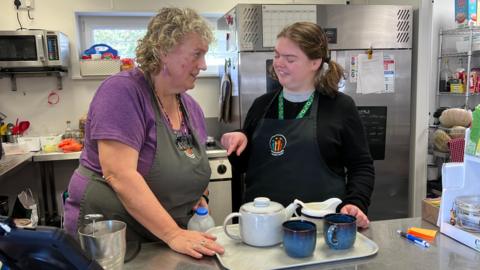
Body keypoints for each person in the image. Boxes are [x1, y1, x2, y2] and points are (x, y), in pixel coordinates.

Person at [64, 7, 224, 259]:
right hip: (110, 236)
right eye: (196, 54)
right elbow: (119, 174)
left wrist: (195, 196)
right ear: (163, 50)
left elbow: (192, 165)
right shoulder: (122, 93)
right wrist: (173, 233)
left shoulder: (191, 109)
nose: (203, 65)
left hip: (160, 237)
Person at [221, 22, 374, 228]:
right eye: (276, 56)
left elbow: (361, 166)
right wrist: (238, 140)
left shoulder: (340, 107)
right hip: (263, 228)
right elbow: (242, 167)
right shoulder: (262, 105)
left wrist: (356, 203)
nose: (278, 63)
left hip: (321, 228)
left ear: (315, 62)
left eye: (290, 58)